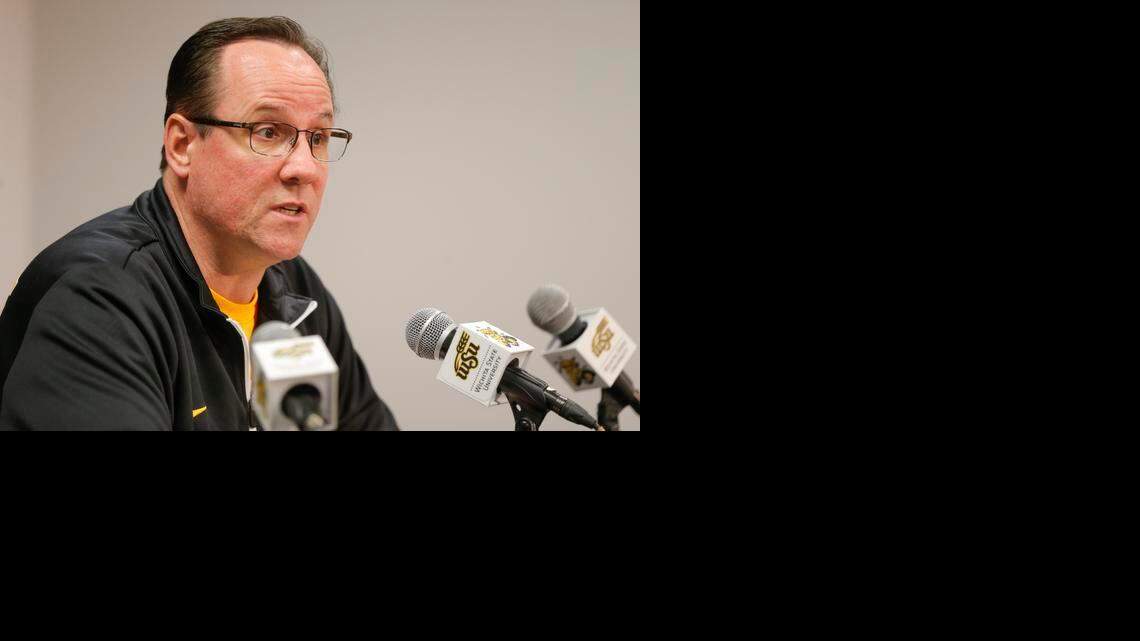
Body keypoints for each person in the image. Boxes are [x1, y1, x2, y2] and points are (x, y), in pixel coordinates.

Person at [0, 16, 398, 430]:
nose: (305, 168)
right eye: (267, 132)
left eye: (318, 137)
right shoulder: (98, 298)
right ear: (182, 145)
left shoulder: (295, 290)